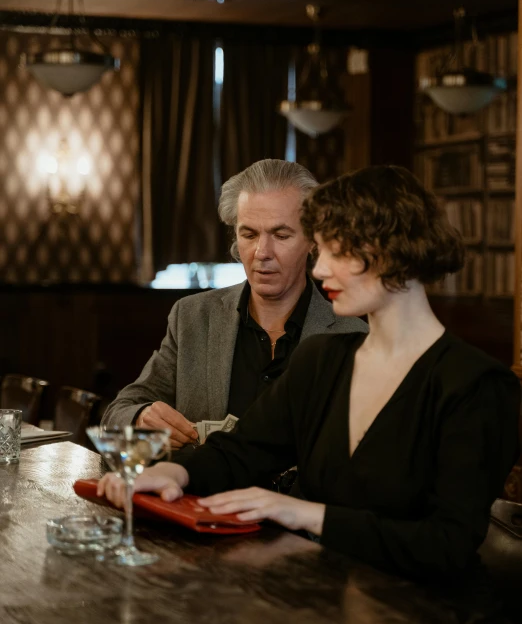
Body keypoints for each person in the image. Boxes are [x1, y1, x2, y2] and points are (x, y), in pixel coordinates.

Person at [98, 165, 520, 578]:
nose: (319, 269)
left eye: (338, 252)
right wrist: (168, 473)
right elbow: (238, 452)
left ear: (394, 252)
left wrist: (303, 512)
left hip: (422, 623)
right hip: (318, 597)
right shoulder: (323, 358)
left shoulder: (478, 386)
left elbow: (446, 546)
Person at [101, 159, 367, 447]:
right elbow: (116, 414)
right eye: (249, 234)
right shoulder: (193, 316)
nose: (262, 252)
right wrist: (142, 417)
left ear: (313, 241)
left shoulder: (351, 336)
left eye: (281, 235)